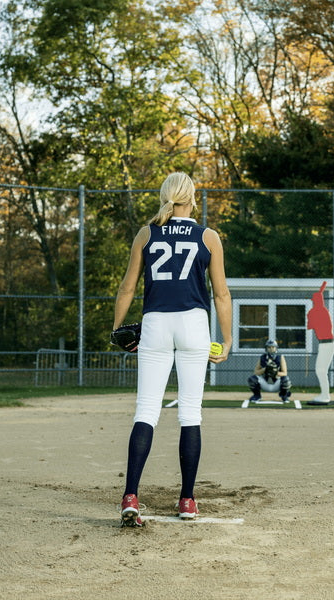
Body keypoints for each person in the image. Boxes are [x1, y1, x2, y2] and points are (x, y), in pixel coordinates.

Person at [113, 172, 232, 527]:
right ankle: (187, 500)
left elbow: (127, 288)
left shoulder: (147, 233)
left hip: (156, 324)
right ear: (193, 198)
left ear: (164, 196)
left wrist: (117, 329)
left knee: (146, 411)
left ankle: (131, 495)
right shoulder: (208, 236)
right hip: (194, 324)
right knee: (190, 414)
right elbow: (222, 294)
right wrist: (226, 339)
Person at [306, 281, 334, 405]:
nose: (313, 302)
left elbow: (310, 326)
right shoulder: (324, 310)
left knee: (320, 371)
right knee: (322, 370)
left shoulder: (315, 312)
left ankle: (325, 395)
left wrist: (310, 314)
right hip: (326, 344)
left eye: (314, 300)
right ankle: (325, 394)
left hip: (326, 344)